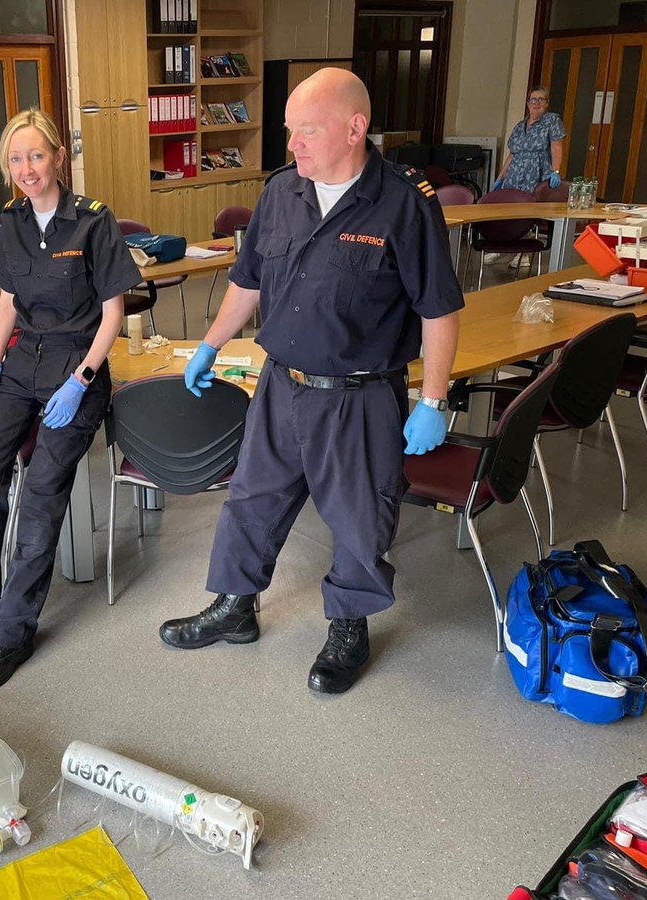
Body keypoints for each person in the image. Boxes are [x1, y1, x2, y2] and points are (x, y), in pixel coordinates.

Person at [158, 69, 462, 695]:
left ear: (354, 128)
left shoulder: (404, 201)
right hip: (279, 384)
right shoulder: (281, 191)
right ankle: (235, 606)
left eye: (306, 131)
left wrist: (433, 399)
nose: (292, 144)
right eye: (289, 131)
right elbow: (248, 280)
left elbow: (438, 309)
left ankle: (349, 626)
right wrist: (211, 344)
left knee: (357, 517)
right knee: (252, 500)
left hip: (359, 395)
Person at [0, 109, 142, 691]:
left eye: (36, 156)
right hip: (21, 364)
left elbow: (113, 313)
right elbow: (7, 301)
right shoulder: (14, 220)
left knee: (43, 492)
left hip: (77, 364)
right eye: (16, 159)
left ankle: (11, 631)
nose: (27, 168)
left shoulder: (93, 220)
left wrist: (83, 378)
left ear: (58, 158)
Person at [494, 85, 566, 193]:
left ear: (546, 103)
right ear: (528, 103)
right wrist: (500, 178)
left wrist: (556, 171)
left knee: (532, 202)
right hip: (513, 178)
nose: (536, 103)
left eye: (541, 99)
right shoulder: (519, 126)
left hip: (537, 176)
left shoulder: (552, 121)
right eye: (533, 100)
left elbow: (556, 148)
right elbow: (512, 154)